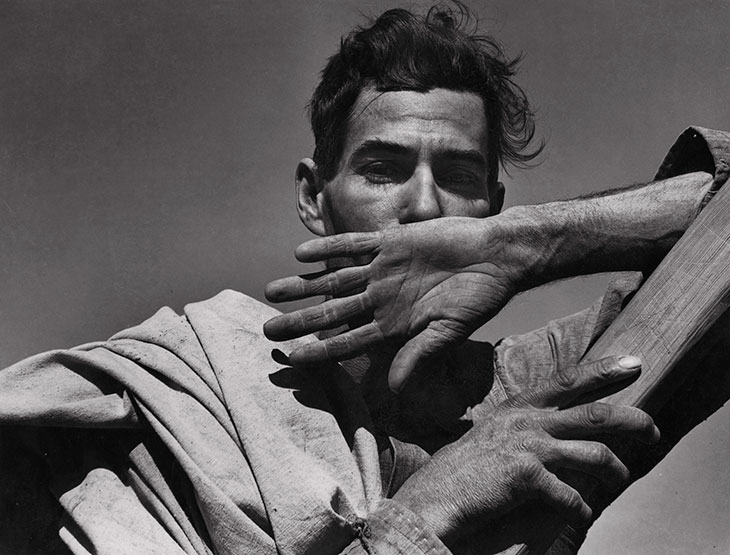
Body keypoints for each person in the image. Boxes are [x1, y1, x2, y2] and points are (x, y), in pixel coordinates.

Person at [1, 4, 728, 555]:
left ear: (493, 209)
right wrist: (429, 509)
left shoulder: (545, 386)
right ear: (316, 199)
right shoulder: (184, 383)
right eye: (383, 169)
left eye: (459, 176)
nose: (421, 206)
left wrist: (528, 244)